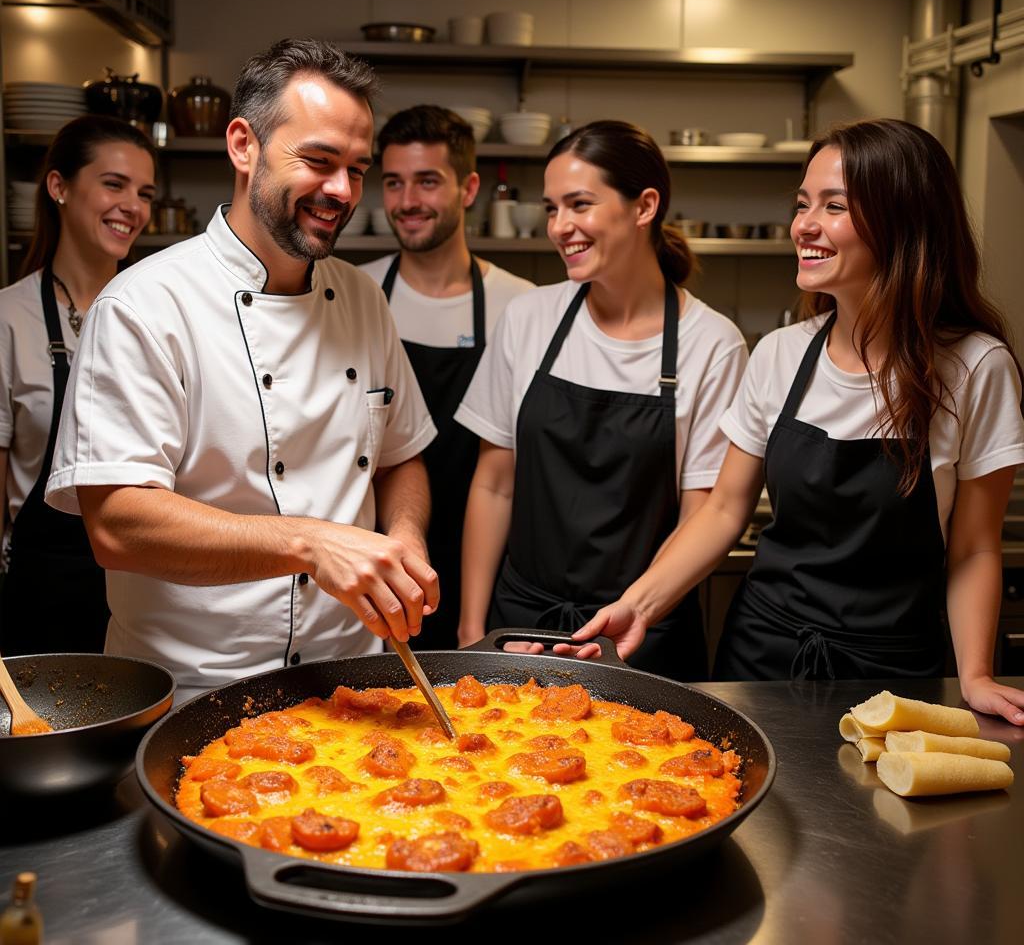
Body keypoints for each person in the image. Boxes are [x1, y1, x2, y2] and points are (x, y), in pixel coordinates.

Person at [565, 118, 1024, 725]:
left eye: (834, 206)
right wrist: (638, 605)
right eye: (802, 204)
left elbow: (972, 548)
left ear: (904, 221)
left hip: (895, 666)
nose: (804, 225)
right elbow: (725, 509)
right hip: (760, 657)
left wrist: (975, 675)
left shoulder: (975, 366)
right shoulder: (780, 353)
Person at [44, 39, 439, 699]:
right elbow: (116, 522)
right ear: (242, 145)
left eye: (357, 169)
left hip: (355, 687)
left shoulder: (365, 300)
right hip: (193, 692)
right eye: (318, 161)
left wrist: (404, 538)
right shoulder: (145, 306)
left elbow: (402, 456)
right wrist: (312, 543)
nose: (341, 190)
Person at [454, 120, 748, 679]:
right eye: (551, 209)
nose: (560, 227)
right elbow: (494, 483)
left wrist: (636, 607)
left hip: (644, 637)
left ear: (644, 207)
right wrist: (473, 628)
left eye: (579, 205)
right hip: (521, 628)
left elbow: (702, 515)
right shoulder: (528, 319)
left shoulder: (711, 343)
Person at [361, 105, 534, 649]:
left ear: (469, 188)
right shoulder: (357, 299)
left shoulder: (521, 305)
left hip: (487, 562)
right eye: (394, 183)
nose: (408, 202)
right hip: (377, 566)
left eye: (427, 182)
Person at [0, 115, 157, 654]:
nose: (133, 207)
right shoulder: (9, 319)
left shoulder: (160, 314)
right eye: (114, 184)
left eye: (145, 192)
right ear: (59, 187)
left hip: (148, 594)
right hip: (41, 601)